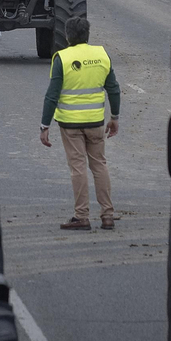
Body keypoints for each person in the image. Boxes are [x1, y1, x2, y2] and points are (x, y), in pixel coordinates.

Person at [39, 17, 121, 231]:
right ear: (88, 35)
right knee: (99, 165)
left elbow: (52, 95)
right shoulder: (101, 55)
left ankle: (81, 216)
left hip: (70, 125)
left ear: (67, 36)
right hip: (96, 123)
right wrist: (115, 117)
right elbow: (113, 89)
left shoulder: (62, 58)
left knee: (78, 168)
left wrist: (44, 125)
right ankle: (108, 215)